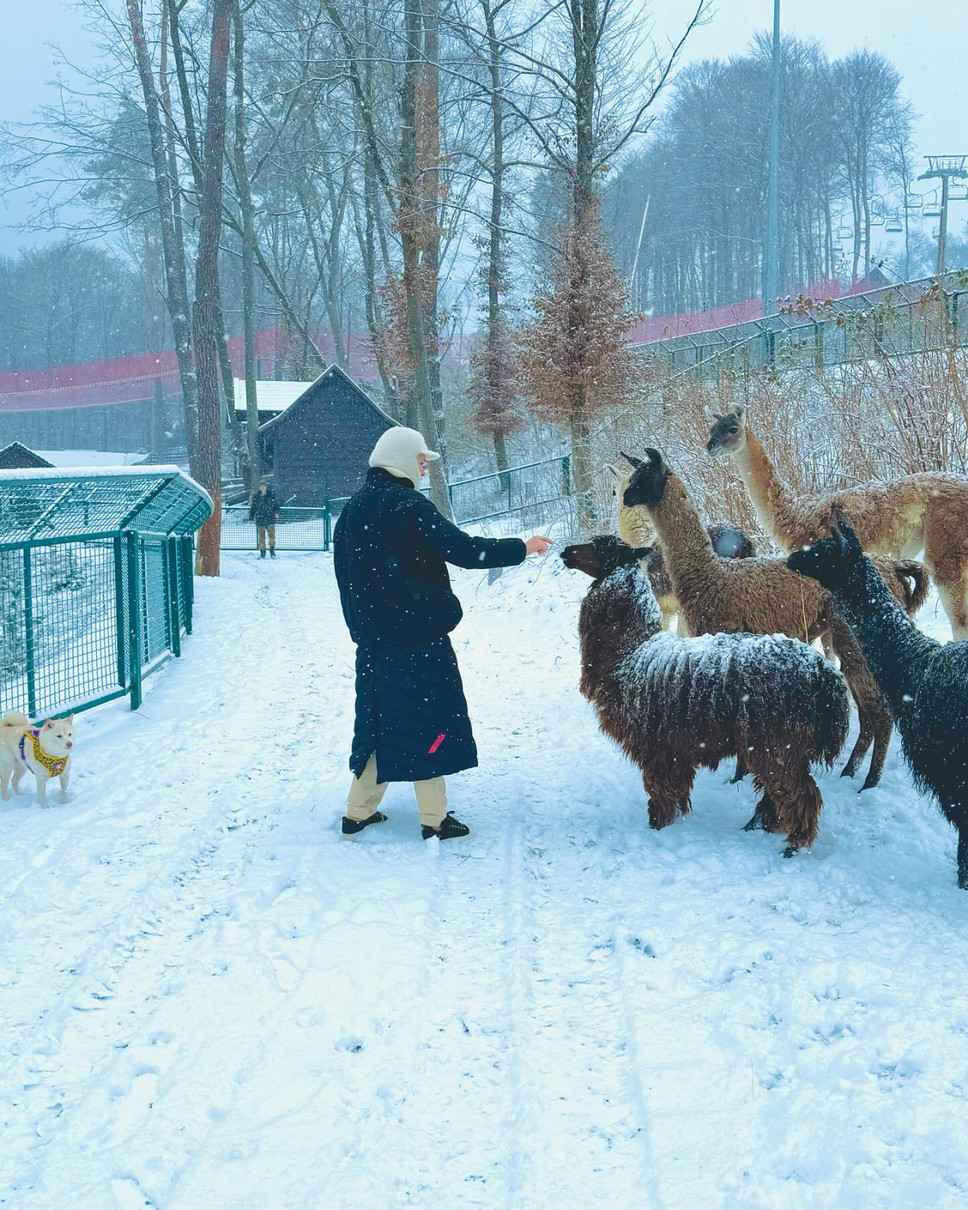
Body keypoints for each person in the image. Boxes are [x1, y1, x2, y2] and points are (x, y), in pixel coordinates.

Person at [334, 426, 553, 840]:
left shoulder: (353, 509)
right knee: (428, 724)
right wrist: (521, 548)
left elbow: (344, 577)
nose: (424, 470)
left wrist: (361, 629)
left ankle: (357, 811)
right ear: (400, 459)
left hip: (375, 644)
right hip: (419, 641)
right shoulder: (408, 507)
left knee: (379, 724)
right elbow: (465, 550)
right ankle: (434, 820)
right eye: (420, 462)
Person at [248, 481, 280, 558]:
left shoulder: (271, 495)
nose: (262, 488)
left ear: (266, 487)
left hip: (270, 518)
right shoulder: (256, 496)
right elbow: (253, 508)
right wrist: (251, 518)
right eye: (261, 486)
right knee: (261, 536)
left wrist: (276, 512)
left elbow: (276, 505)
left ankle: (272, 551)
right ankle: (262, 552)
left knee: (271, 535)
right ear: (259, 487)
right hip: (260, 518)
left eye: (264, 486)